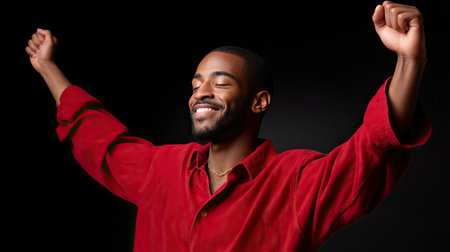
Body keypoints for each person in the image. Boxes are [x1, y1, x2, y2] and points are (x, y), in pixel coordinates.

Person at [25, 1, 431, 251]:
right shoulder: (160, 170)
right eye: (196, 83)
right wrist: (48, 68)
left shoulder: (297, 182)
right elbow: (99, 138)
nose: (201, 92)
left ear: (259, 101)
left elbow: (373, 146)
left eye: (220, 82)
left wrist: (409, 62)